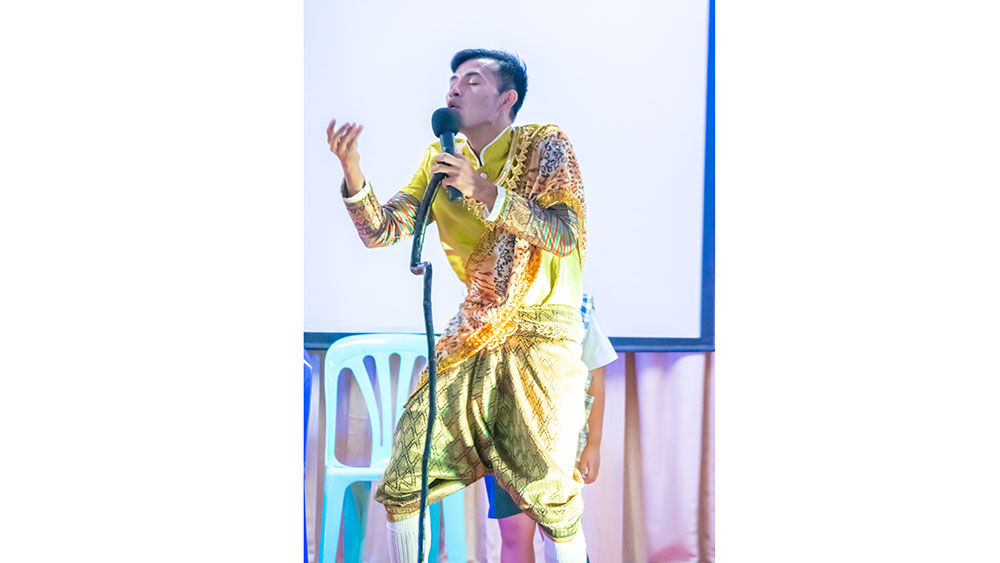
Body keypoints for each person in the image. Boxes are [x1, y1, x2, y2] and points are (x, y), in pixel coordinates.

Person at [327, 48, 590, 563]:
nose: (454, 88)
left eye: (472, 80)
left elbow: (563, 235)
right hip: (474, 331)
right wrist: (352, 172)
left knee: (551, 497)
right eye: (453, 79)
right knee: (406, 475)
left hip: (543, 336)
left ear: (507, 98)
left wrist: (485, 191)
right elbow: (382, 231)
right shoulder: (439, 160)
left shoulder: (547, 145)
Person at [484, 294, 617, 562]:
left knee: (560, 532)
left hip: (559, 446)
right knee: (514, 531)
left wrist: (593, 445)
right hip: (504, 443)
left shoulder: (578, 306)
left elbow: (595, 374)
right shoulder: (490, 302)